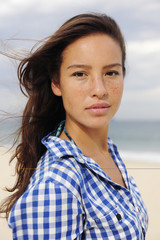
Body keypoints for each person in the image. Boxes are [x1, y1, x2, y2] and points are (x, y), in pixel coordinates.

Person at [0, 13, 148, 239]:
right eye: (80, 73)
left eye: (111, 72)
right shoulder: (55, 186)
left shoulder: (108, 150)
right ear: (57, 83)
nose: (100, 89)